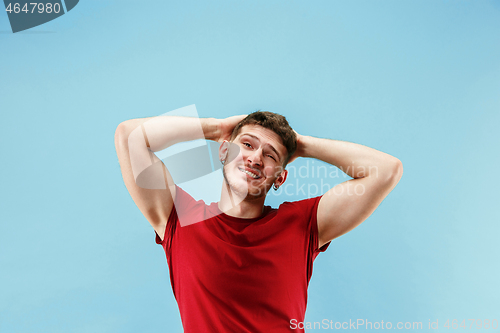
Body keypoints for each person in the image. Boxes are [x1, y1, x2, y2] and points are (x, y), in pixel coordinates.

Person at [114, 111, 403, 332]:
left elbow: (386, 170)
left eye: (269, 155)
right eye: (247, 145)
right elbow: (130, 137)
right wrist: (215, 128)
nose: (254, 158)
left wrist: (299, 145)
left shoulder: (303, 224)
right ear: (224, 152)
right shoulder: (180, 218)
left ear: (280, 177)